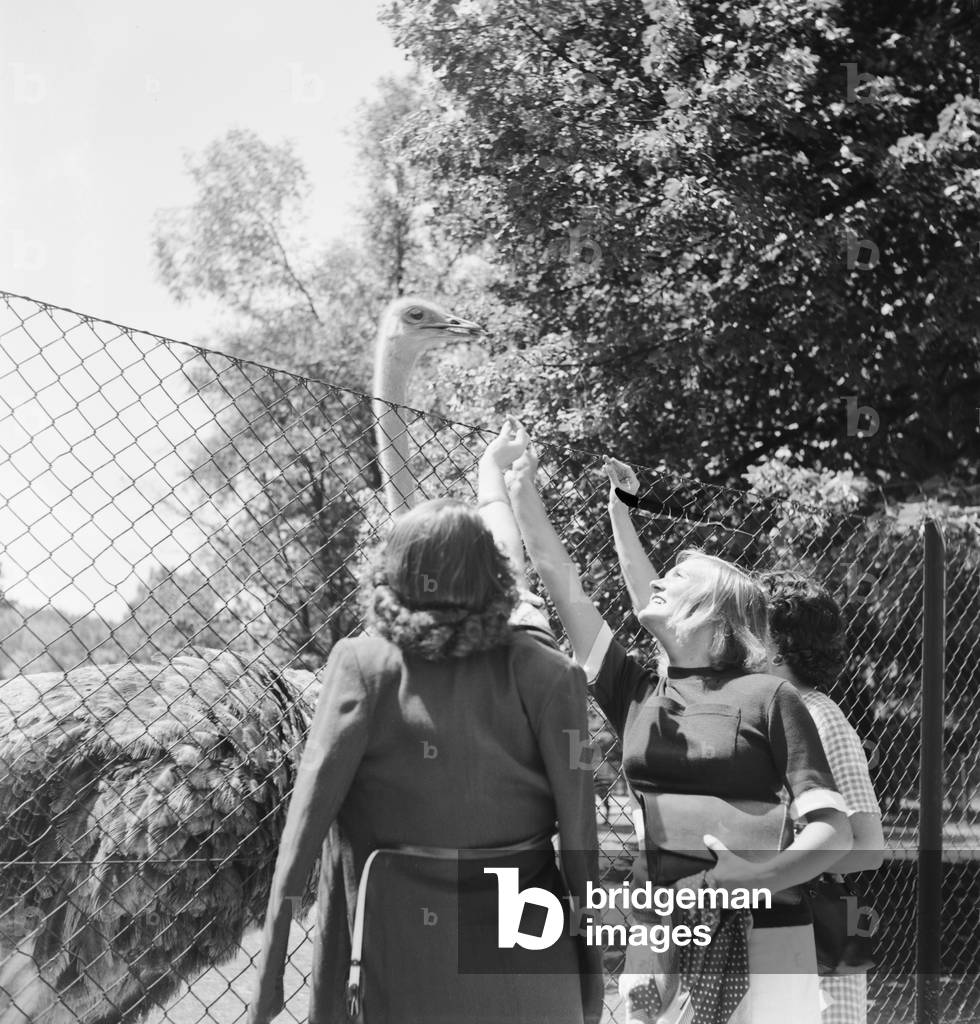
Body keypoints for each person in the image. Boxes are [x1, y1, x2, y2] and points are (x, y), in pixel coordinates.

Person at [246, 422, 602, 1024]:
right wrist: (588, 973)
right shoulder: (553, 674)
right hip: (530, 964)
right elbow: (582, 840)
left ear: (391, 573)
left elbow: (306, 826)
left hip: (399, 962)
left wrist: (271, 976)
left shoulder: (361, 666)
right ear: (496, 576)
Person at [505, 440, 852, 1024]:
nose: (658, 583)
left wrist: (752, 878)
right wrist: (521, 493)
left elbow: (835, 833)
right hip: (658, 935)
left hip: (766, 940)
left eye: (677, 578)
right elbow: (564, 587)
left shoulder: (771, 697)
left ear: (716, 619)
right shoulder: (638, 695)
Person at [761, 569, 884, 1024]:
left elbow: (867, 847)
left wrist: (772, 861)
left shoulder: (820, 718)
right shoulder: (765, 715)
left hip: (816, 955)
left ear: (774, 647)